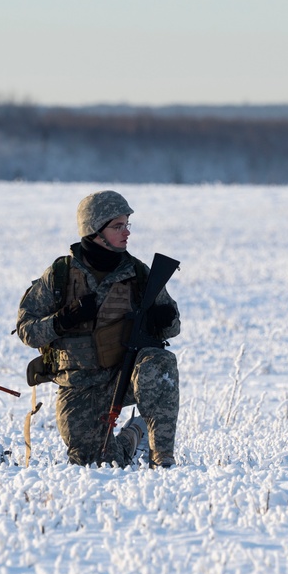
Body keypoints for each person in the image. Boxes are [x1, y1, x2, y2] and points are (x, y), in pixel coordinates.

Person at [16, 190, 181, 467]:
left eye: (127, 224)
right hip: (77, 382)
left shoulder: (139, 274)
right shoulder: (60, 275)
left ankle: (162, 459)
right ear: (94, 230)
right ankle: (132, 437)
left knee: (159, 363)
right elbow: (26, 330)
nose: (126, 232)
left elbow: (173, 327)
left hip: (124, 375)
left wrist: (163, 320)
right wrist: (63, 320)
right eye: (118, 226)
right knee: (95, 463)